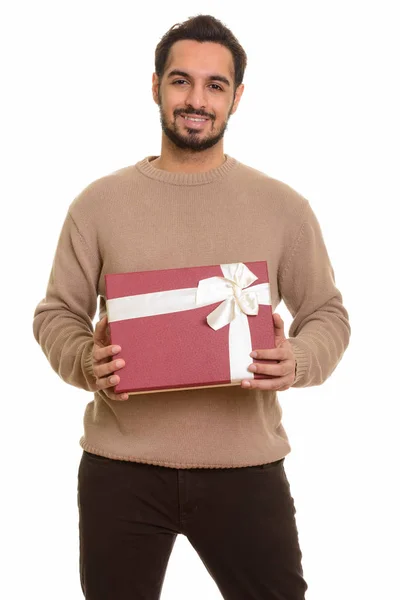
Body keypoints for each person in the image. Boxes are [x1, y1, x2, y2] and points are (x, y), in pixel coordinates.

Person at [33, 14, 350, 600]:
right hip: (119, 468)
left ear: (237, 98)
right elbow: (56, 313)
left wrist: (299, 359)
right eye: (181, 81)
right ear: (155, 86)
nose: (196, 99)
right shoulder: (97, 205)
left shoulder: (284, 207)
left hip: (246, 469)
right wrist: (85, 359)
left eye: (215, 85)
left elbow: (327, 313)